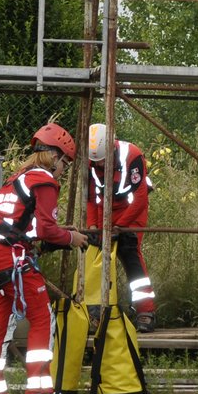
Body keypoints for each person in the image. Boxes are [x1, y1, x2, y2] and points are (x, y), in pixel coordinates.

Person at [0, 121, 89, 394]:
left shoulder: (17, 179)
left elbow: (30, 226)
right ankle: (38, 392)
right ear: (53, 155)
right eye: (65, 161)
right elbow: (48, 231)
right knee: (42, 318)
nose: (64, 168)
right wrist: (72, 238)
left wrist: (60, 232)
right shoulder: (45, 180)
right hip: (11, 258)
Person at [85, 122, 157, 332]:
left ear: (112, 148)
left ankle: (146, 310)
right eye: (96, 162)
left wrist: (120, 227)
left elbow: (141, 197)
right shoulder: (91, 162)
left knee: (129, 251)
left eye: (103, 161)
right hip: (105, 208)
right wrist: (94, 227)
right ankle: (96, 311)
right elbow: (92, 198)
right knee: (97, 254)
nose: (100, 166)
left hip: (132, 207)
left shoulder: (132, 156)